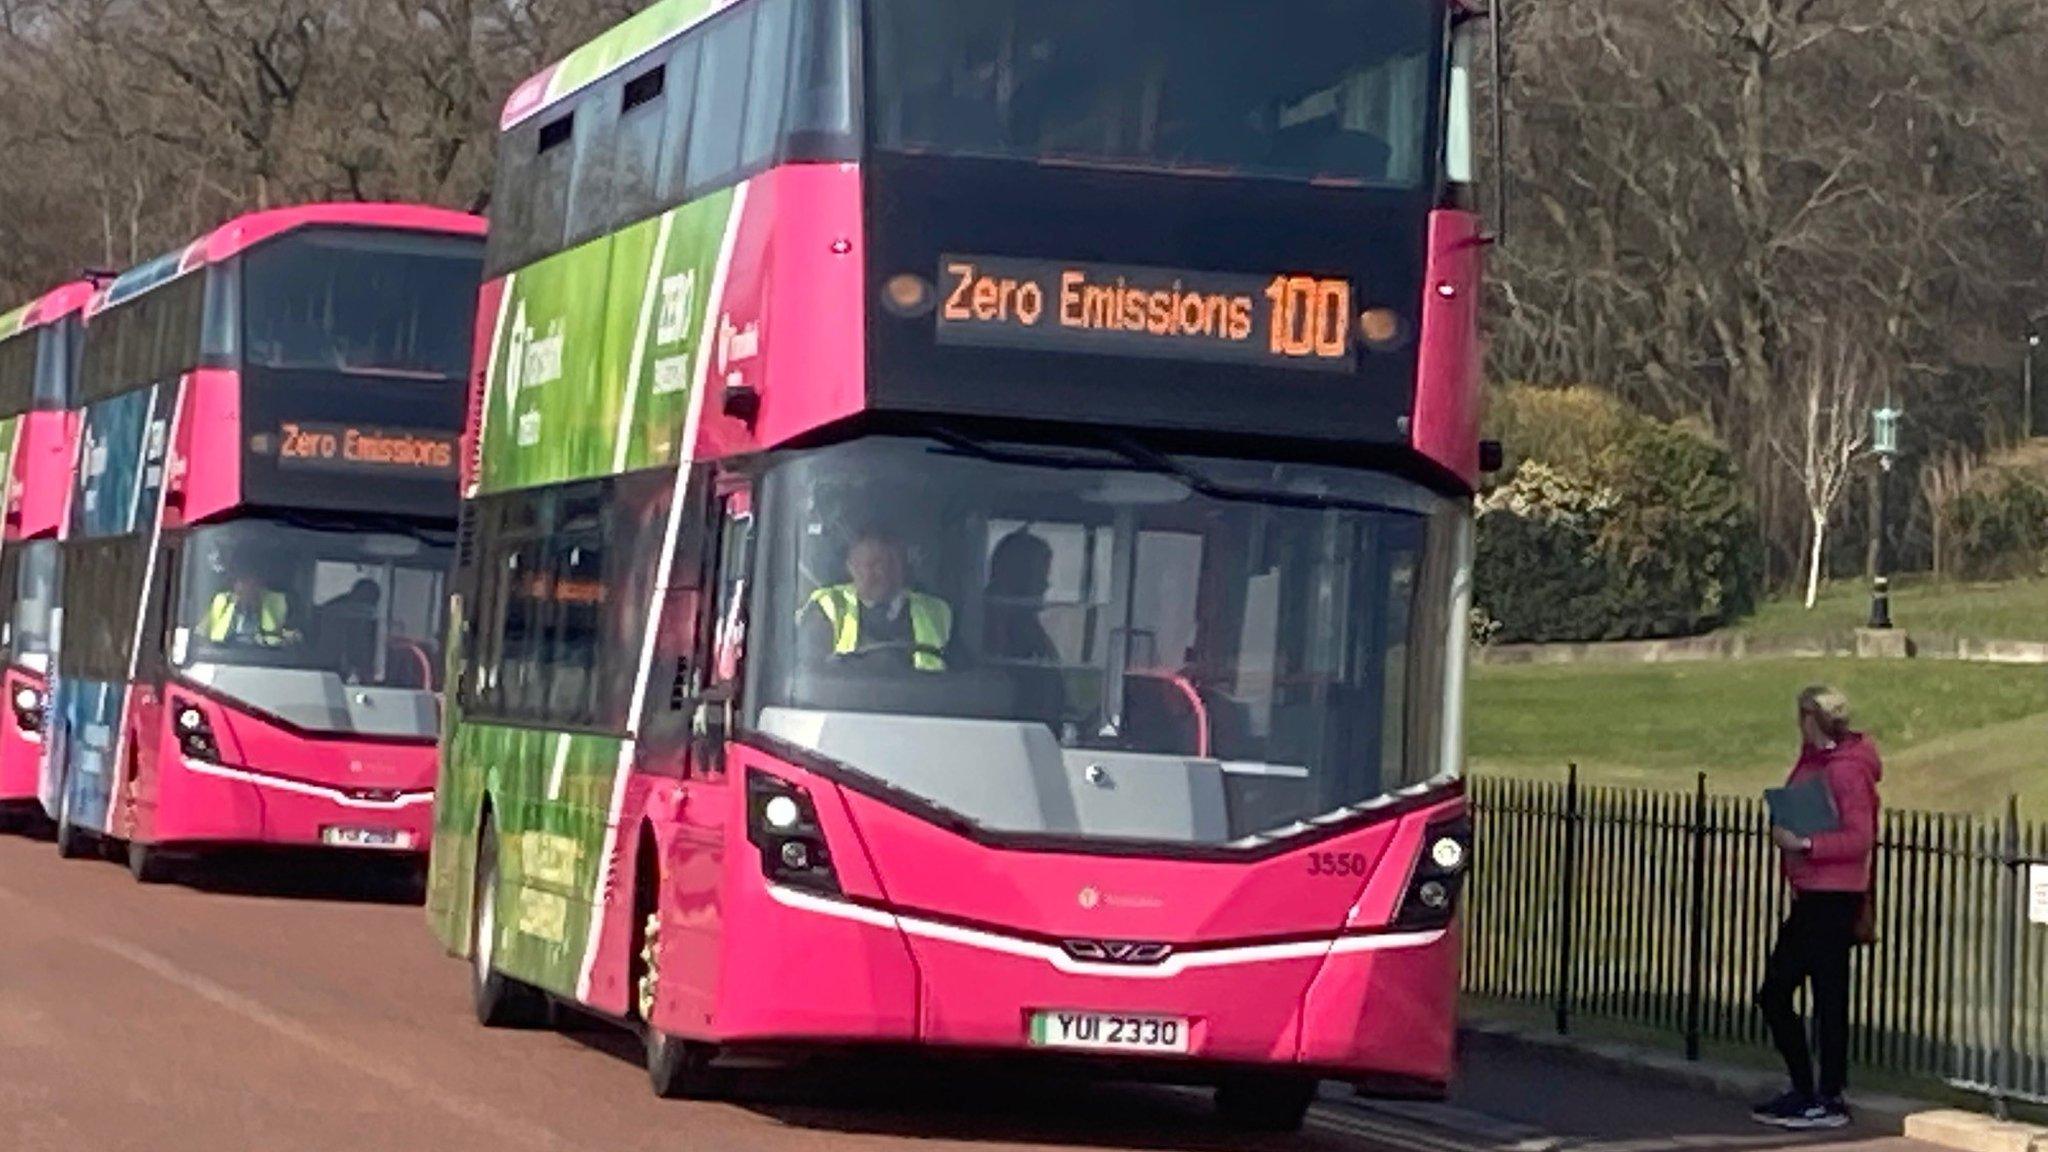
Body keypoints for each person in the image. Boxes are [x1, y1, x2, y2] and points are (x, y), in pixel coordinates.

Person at [1751, 685, 1883, 1131]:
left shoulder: (1847, 770)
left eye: (1801, 717)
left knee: (1793, 992)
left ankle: (1825, 1096)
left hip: (1833, 896)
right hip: (1811, 891)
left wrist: (1806, 842)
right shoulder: (1813, 762)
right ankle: (1809, 1090)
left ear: (1813, 718)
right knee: (1806, 992)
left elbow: (1859, 838)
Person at [799, 527, 952, 672]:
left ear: (904, 566)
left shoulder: (937, 611)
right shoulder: (828, 606)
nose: (882, 572)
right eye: (873, 564)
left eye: (891, 563)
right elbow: (810, 670)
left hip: (925, 698)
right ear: (852, 568)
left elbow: (964, 676)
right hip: (846, 698)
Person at [983, 529, 1059, 664]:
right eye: (1040, 576)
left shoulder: (1026, 623)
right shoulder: (988, 623)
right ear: (1018, 575)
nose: (1046, 585)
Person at [204, 567, 294, 646]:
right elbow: (199, 636)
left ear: (260, 583)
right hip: (224, 658)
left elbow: (294, 637)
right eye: (240, 580)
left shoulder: (277, 602)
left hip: (266, 658)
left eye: (250, 581)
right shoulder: (222, 601)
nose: (244, 586)